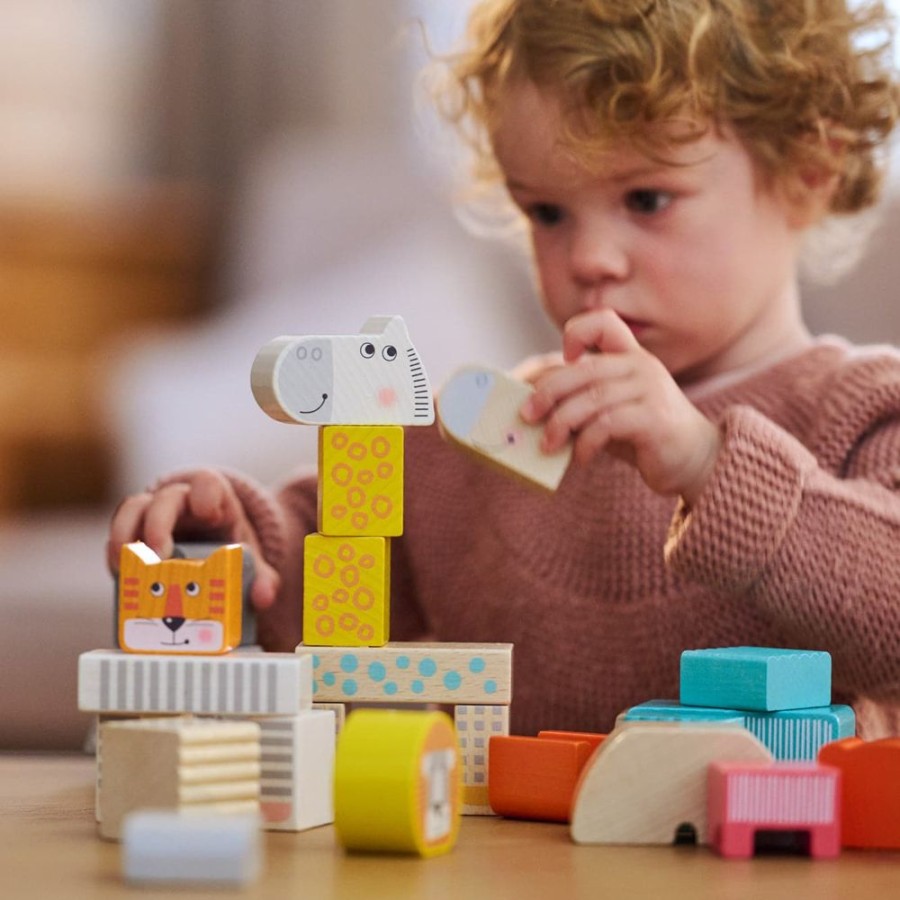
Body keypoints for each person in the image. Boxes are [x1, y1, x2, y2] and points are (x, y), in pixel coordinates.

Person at [108, 0, 900, 738]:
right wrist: (231, 546)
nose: (587, 258)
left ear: (808, 169)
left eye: (648, 199)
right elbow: (328, 579)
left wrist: (705, 463)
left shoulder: (861, 409)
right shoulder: (481, 436)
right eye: (547, 213)